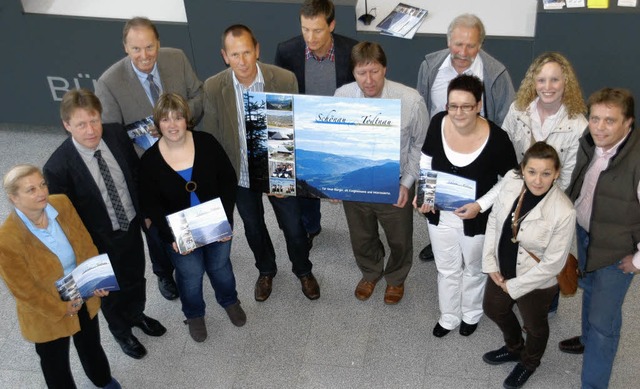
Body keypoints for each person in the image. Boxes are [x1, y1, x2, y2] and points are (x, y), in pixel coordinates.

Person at [44, 89, 165, 360]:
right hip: (96, 240)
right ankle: (121, 331)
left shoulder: (116, 134)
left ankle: (136, 314)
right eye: (81, 124)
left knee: (135, 275)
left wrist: (144, 212)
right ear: (67, 126)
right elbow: (66, 219)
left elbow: (135, 173)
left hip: (131, 223)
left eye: (94, 120)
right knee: (109, 290)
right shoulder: (57, 167)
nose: (90, 130)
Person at [202, 24, 320, 302]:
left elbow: (296, 129)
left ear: (257, 50)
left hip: (278, 168)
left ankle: (303, 270)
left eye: (246, 52)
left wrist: (287, 172)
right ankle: (266, 270)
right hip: (240, 174)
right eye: (234, 55)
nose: (242, 61)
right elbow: (212, 139)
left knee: (293, 226)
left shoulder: (283, 79)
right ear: (224, 56)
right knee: (253, 228)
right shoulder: (213, 87)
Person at [94, 17, 205, 301]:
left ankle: (197, 249)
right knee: (155, 229)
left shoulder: (177, 58)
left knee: (190, 208)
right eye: (136, 49)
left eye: (149, 47)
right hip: (146, 170)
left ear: (158, 42)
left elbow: (198, 95)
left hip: (185, 156)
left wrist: (176, 119)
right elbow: (112, 139)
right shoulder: (109, 83)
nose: (144, 55)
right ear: (125, 48)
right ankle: (164, 274)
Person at [0, 165, 121, 389]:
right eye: (31, 190)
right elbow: (24, 291)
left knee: (91, 344)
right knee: (55, 363)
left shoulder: (61, 204)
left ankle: (102, 380)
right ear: (14, 198)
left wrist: (97, 279)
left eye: (42, 184)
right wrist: (61, 308)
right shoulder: (6, 239)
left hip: (81, 290)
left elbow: (84, 243)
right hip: (46, 310)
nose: (42, 192)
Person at [415, 74, 517, 337]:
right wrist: (426, 194)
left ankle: (471, 313)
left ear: (479, 105)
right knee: (446, 268)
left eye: (466, 106)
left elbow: (511, 179)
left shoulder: (497, 138)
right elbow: (426, 161)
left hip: (476, 220)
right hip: (440, 215)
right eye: (452, 105)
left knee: (473, 268)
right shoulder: (438, 122)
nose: (458, 113)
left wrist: (480, 206)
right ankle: (449, 316)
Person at [139, 93, 245, 342]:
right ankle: (195, 314)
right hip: (179, 234)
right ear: (158, 124)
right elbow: (150, 205)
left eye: (178, 117)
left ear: (187, 119)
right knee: (190, 274)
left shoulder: (207, 143)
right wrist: (170, 237)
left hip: (215, 223)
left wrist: (226, 219)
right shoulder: (149, 161)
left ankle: (229, 300)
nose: (172, 124)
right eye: (165, 119)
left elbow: (228, 181)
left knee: (220, 267)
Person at [415, 13, 516, 262]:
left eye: (471, 45)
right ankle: (439, 238)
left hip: (477, 153)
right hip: (441, 148)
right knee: (441, 214)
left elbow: (506, 117)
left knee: (475, 221)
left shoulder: (496, 73)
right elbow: (421, 106)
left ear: (480, 45)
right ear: (448, 42)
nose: (463, 51)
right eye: (458, 44)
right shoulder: (430, 67)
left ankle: (473, 246)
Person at [558, 88, 640, 388]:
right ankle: (585, 340)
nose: (600, 127)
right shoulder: (590, 142)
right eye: (595, 119)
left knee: (604, 323)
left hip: (617, 252)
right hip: (587, 233)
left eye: (610, 121)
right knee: (589, 290)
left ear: (628, 123)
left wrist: (638, 260)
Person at [334, 41, 428, 304]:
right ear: (353, 73)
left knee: (400, 239)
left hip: (394, 183)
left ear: (385, 68)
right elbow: (336, 141)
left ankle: (396, 278)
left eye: (374, 71)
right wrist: (333, 183)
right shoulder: (342, 96)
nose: (368, 80)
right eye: (361, 73)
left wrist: (407, 183)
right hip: (355, 183)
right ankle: (370, 271)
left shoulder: (410, 100)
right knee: (361, 236)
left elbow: (420, 146)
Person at [482, 143, 576, 389]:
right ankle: (514, 348)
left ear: (556, 174)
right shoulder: (512, 183)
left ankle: (529, 362)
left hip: (535, 281)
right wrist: (490, 263)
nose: (537, 180)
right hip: (501, 268)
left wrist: (514, 286)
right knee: (493, 309)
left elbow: (553, 264)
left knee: (535, 327)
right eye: (532, 171)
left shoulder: (564, 211)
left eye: (546, 173)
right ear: (522, 170)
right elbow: (494, 220)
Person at [275, 0, 358, 247]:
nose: (310, 37)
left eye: (318, 30)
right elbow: (281, 98)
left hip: (340, 129)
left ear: (331, 25)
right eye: (305, 29)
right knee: (306, 186)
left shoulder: (352, 51)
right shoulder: (287, 51)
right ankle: (311, 226)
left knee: (351, 185)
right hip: (305, 129)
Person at [502, 52, 587, 191]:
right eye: (541, 80)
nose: (547, 87)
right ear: (533, 82)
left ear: (566, 82)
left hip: (552, 201)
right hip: (514, 191)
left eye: (554, 80)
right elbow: (503, 157)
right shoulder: (517, 111)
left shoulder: (579, 127)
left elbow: (567, 181)